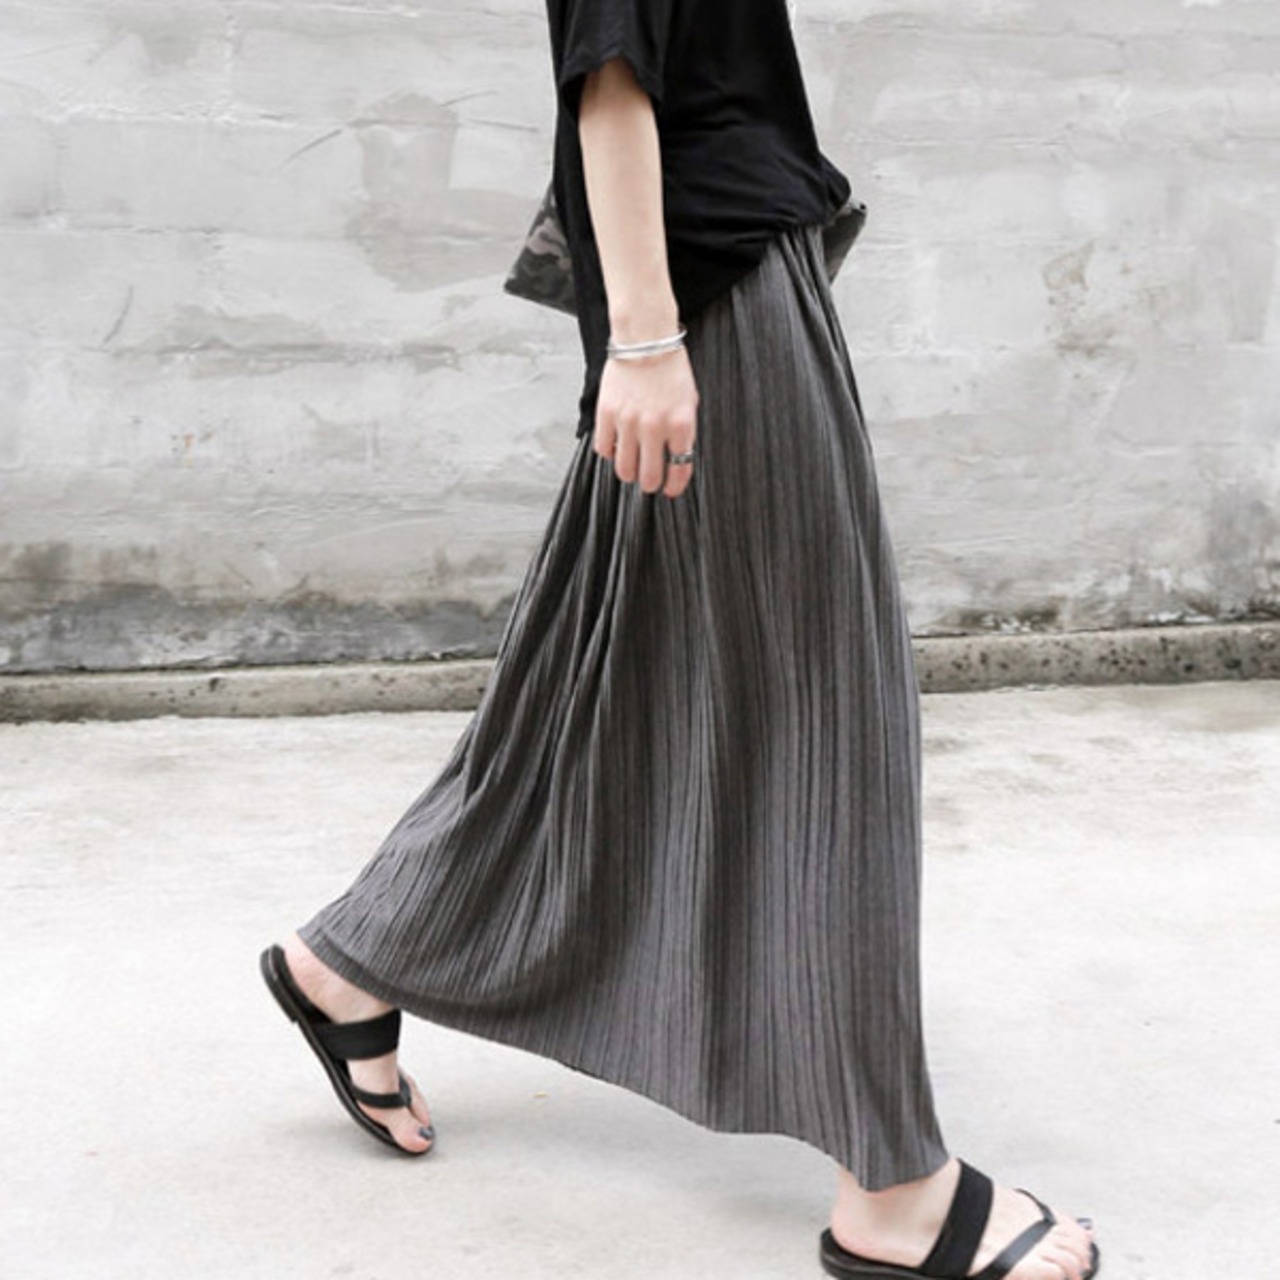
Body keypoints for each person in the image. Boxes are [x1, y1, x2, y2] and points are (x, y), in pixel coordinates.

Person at [260, 2, 1101, 1277]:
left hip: (728, 282)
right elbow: (610, 72)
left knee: (600, 675)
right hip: (710, 302)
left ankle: (351, 958)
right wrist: (647, 340)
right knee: (825, 716)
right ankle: (892, 1190)